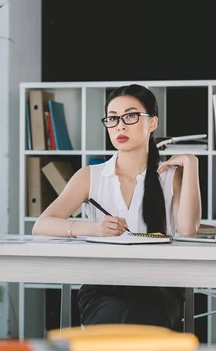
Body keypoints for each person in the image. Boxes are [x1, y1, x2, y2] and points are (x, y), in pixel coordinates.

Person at [32, 84, 202, 329]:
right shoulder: (90, 176)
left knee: (134, 313)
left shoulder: (170, 176)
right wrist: (94, 229)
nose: (120, 125)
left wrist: (191, 164)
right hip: (103, 286)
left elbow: (187, 230)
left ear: (152, 122)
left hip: (158, 287)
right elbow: (42, 225)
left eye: (130, 116)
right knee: (117, 312)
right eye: (112, 118)